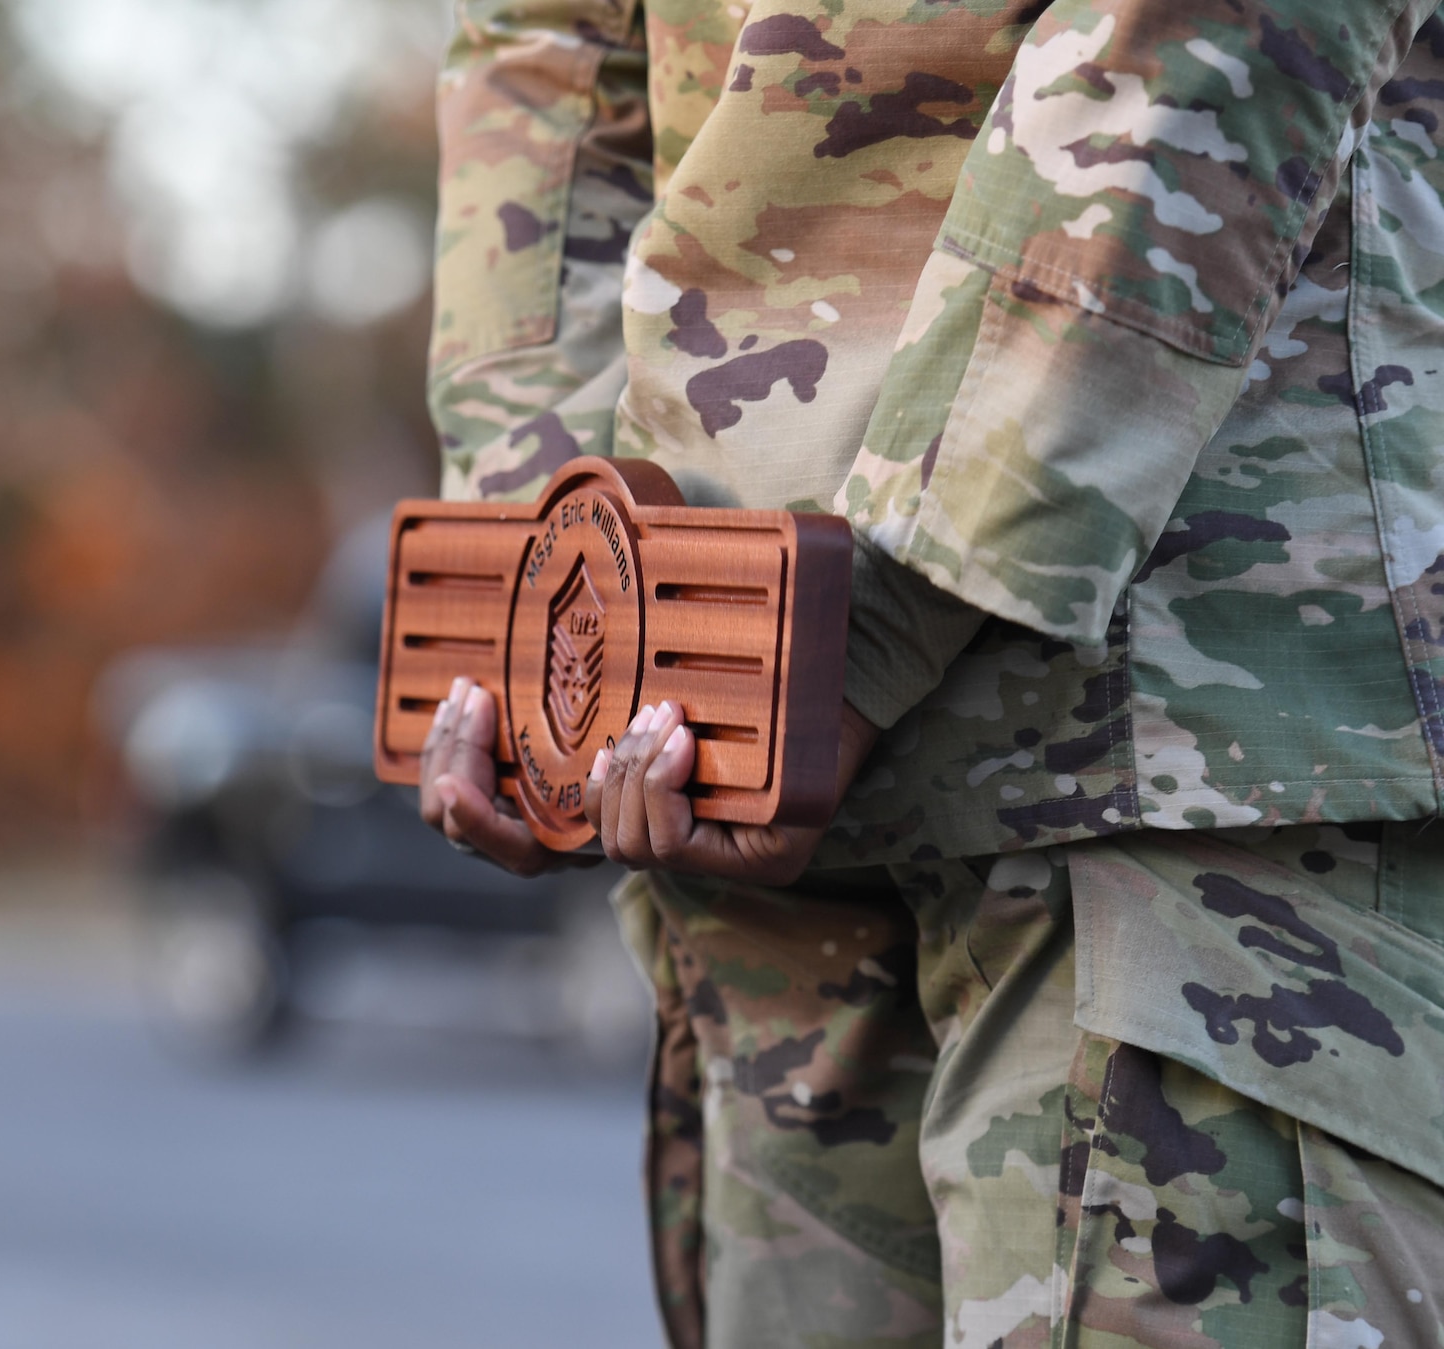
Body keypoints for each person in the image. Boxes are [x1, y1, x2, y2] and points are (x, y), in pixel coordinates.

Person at [417, 1, 1444, 1345]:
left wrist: (876, 610)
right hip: (743, 732)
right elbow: (547, 42)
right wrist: (554, 602)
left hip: (1167, 757)